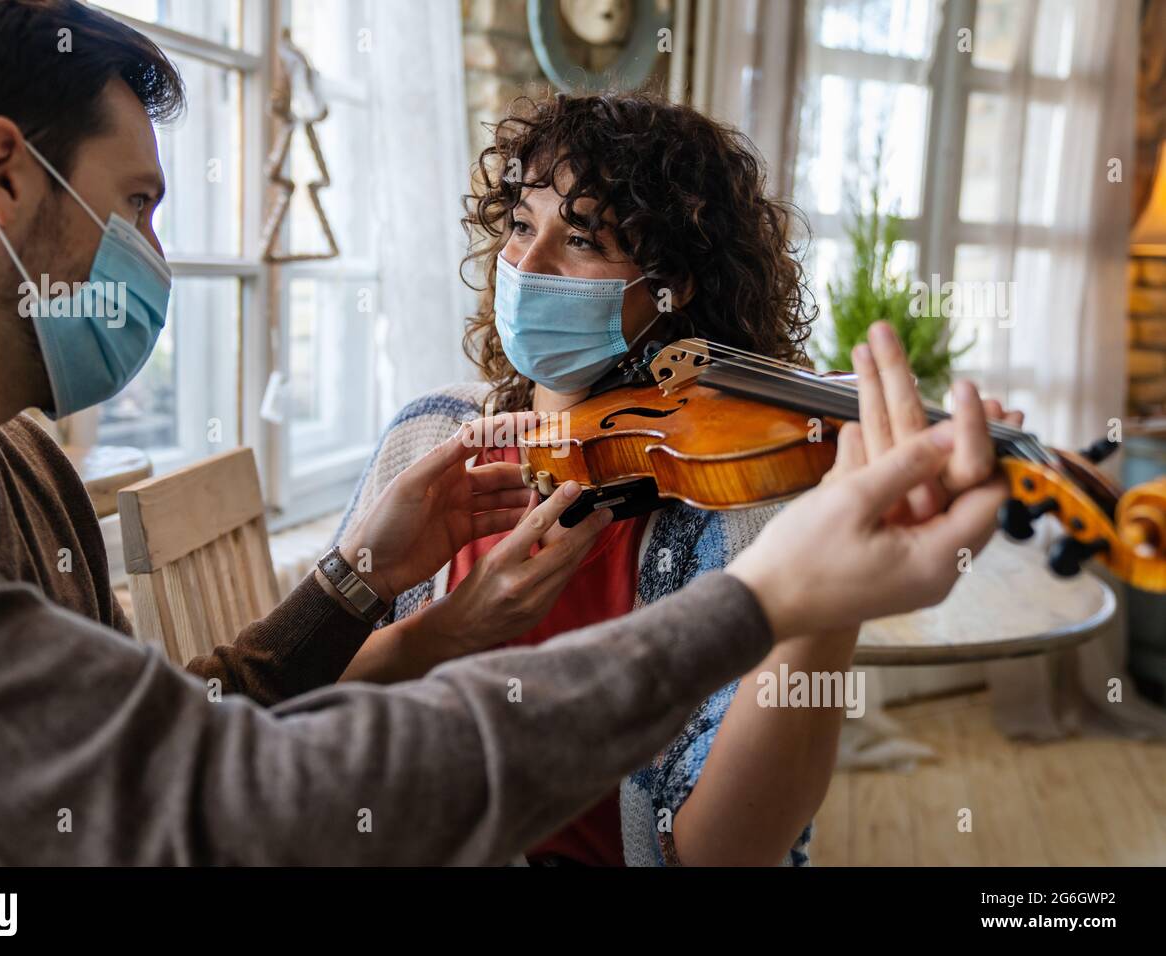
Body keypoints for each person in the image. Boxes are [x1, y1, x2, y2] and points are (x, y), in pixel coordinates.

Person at [0, 0, 1004, 865]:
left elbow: (170, 734)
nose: (157, 260)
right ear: (4, 176)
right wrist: (764, 603)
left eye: (583, 239)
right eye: (136, 207)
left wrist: (380, 592)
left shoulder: (30, 471)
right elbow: (226, 787)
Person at [333, 91, 1023, 866]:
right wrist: (441, 633)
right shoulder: (430, 432)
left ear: (674, 285)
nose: (525, 265)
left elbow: (725, 856)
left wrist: (833, 603)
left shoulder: (729, 502)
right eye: (523, 225)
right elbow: (296, 700)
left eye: (582, 239)